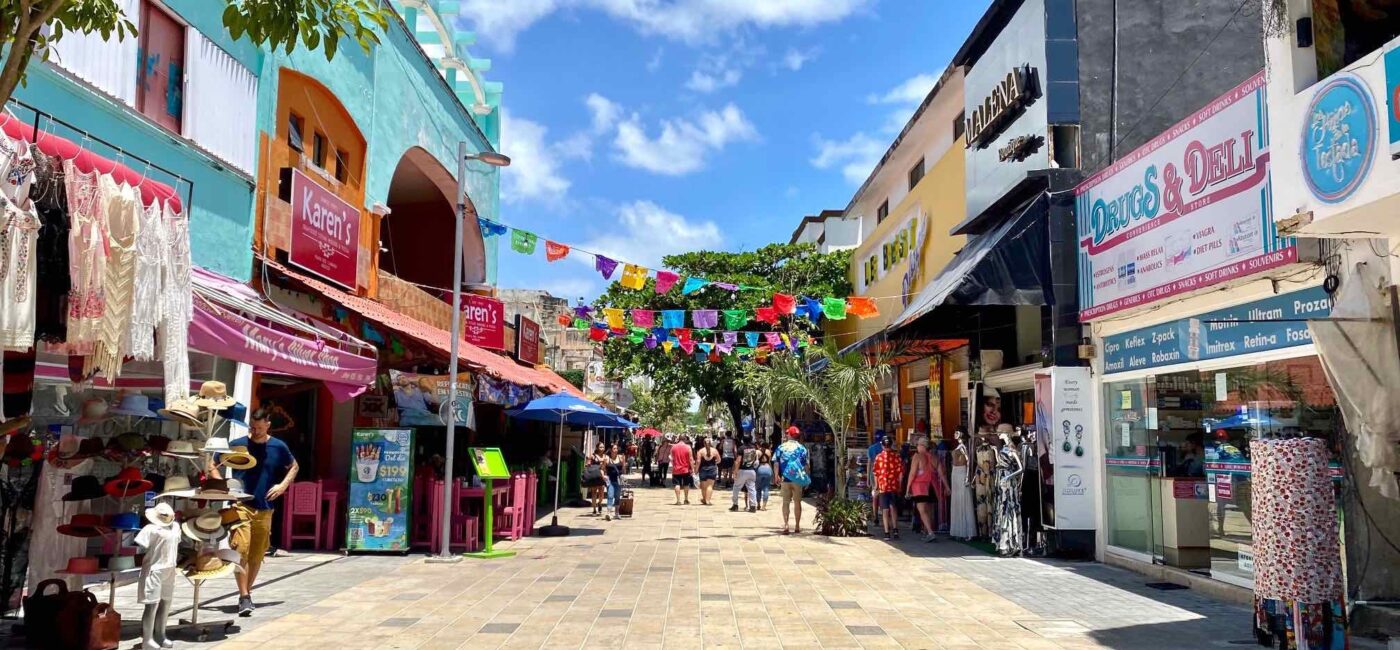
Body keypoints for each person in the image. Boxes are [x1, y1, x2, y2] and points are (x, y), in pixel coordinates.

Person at [228, 408, 298, 617]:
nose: (256, 431)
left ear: (268, 424)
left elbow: (294, 466)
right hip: (241, 504)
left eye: (259, 428)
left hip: (265, 507)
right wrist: (224, 486)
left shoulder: (278, 446)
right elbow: (214, 463)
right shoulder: (238, 444)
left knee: (257, 554)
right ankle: (244, 596)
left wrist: (282, 486)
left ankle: (246, 595)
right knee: (241, 549)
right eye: (252, 427)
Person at [906, 437, 947, 543]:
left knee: (922, 511)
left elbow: (912, 473)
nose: (917, 447)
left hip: (920, 487)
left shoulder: (917, 457)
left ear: (923, 446)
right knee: (929, 511)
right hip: (932, 487)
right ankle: (927, 531)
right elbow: (942, 474)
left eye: (918, 445)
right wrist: (947, 487)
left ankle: (930, 532)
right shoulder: (935, 457)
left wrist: (907, 488)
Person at [775, 426, 809, 534]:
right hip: (798, 479)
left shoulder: (781, 447)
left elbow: (776, 463)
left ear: (789, 435)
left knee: (785, 502)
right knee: (797, 502)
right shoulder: (802, 448)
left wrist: (776, 476)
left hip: (785, 478)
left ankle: (786, 525)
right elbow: (806, 465)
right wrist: (807, 478)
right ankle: (797, 526)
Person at [872, 438, 904, 541]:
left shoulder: (878, 457)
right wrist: (900, 485)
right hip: (894, 487)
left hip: (883, 488)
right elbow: (900, 474)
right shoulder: (897, 457)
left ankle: (886, 532)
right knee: (893, 508)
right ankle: (895, 530)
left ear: (882, 446)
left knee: (885, 510)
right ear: (891, 445)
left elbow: (876, 473)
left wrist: (876, 486)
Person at [730, 437, 758, 512]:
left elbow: (738, 460)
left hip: (742, 470)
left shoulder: (741, 448)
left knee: (736, 487)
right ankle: (753, 506)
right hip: (751, 470)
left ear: (743, 440)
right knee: (752, 489)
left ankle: (735, 505)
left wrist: (735, 471)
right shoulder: (754, 448)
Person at [695, 436, 721, 505]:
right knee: (710, 486)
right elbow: (719, 460)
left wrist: (696, 470)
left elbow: (698, 461)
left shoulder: (700, 451)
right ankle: (708, 500)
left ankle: (704, 499)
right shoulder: (714, 450)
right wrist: (715, 463)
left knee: (703, 487)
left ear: (703, 443)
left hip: (703, 469)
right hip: (712, 469)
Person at [585, 443, 608, 516]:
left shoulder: (605, 456)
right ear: (597, 448)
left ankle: (600, 503)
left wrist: (604, 463)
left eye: (603, 447)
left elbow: (606, 466)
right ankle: (594, 509)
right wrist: (588, 462)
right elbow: (587, 464)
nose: (602, 448)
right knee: (594, 492)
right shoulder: (593, 456)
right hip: (594, 476)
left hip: (602, 476)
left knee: (601, 494)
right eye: (600, 447)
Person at [670, 434, 693, 505]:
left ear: (678, 439)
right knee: (686, 484)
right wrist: (692, 468)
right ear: (685, 439)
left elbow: (671, 458)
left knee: (677, 484)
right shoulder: (688, 447)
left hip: (676, 469)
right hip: (686, 469)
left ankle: (678, 500)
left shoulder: (673, 447)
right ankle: (686, 499)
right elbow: (691, 459)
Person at [605, 443, 625, 521]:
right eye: (614, 448)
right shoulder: (607, 458)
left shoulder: (620, 457)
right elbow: (603, 468)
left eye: (616, 448)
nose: (615, 450)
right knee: (610, 495)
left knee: (617, 496)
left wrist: (623, 475)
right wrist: (604, 476)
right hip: (610, 480)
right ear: (610, 450)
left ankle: (617, 513)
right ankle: (609, 513)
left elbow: (623, 469)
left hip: (618, 480)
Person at [755, 441, 774, 511]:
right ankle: (764, 506)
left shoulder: (757, 452)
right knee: (766, 489)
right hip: (768, 468)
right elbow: (770, 462)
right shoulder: (769, 452)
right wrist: (773, 473)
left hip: (759, 469)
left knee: (758, 489)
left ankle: (758, 504)